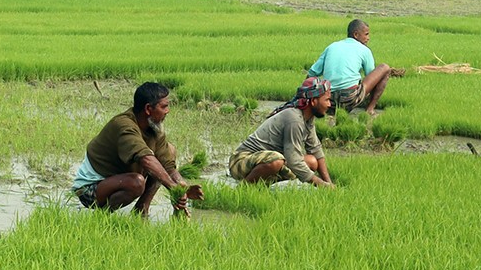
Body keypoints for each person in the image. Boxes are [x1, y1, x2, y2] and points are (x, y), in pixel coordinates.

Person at [71, 82, 203, 218]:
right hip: (91, 189)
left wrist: (182, 186)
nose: (167, 111)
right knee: (137, 182)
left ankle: (141, 209)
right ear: (148, 109)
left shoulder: (154, 128)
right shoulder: (124, 126)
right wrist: (172, 187)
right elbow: (145, 159)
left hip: (118, 178)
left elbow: (167, 164)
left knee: (170, 150)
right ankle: (102, 217)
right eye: (164, 106)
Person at [229, 77, 334, 187]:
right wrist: (321, 184)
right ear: (313, 101)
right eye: (326, 100)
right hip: (241, 161)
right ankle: (244, 188)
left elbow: (315, 149)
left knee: (311, 161)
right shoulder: (294, 119)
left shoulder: (307, 118)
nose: (329, 105)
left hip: (269, 160)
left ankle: (263, 184)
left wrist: (329, 183)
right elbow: (294, 161)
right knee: (276, 161)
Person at [307, 19, 398, 117]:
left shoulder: (332, 46)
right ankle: (370, 109)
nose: (368, 38)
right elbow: (371, 77)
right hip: (350, 98)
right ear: (356, 35)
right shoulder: (364, 50)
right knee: (385, 68)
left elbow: (311, 74)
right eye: (366, 34)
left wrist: (306, 98)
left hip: (329, 101)